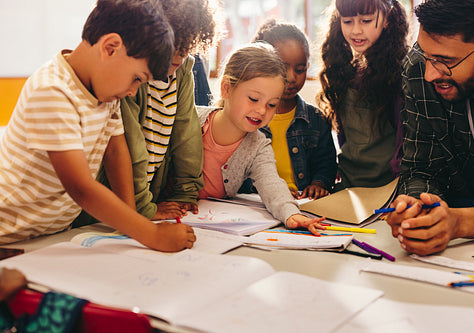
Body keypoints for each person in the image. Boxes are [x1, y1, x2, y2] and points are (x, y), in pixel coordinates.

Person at [0, 0, 195, 251]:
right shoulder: (52, 91)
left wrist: (131, 221)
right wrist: (151, 235)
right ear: (110, 47)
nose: (132, 91)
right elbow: (81, 188)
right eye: (137, 79)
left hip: (47, 237)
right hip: (8, 236)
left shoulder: (103, 92)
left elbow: (115, 151)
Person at [386, 0, 474, 256]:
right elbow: (421, 167)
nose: (429, 74)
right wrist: (415, 206)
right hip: (461, 250)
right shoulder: (418, 67)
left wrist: (460, 222)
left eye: (444, 60)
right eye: (425, 54)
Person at [197, 43, 326, 235]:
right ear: (226, 88)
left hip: (208, 226)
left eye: (272, 104)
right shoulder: (191, 120)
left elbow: (272, 184)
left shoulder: (259, 145)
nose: (261, 111)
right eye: (253, 99)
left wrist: (291, 215)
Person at [115, 0, 223, 221]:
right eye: (174, 45)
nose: (180, 56)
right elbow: (131, 148)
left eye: (186, 47)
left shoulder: (183, 70)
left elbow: (187, 132)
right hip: (117, 203)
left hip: (148, 198)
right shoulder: (132, 77)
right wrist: (143, 208)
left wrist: (186, 191)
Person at [317, 0, 408, 191]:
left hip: (388, 189)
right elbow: (345, 139)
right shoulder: (345, 70)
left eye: (366, 20)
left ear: (388, 19)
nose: (356, 31)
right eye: (347, 21)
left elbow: (404, 144)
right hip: (349, 186)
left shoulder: (400, 73)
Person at [248, 19, 337, 200]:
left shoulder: (317, 120)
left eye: (300, 69)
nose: (291, 77)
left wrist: (319, 184)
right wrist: (271, 189)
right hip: (257, 204)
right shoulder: (248, 117)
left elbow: (326, 165)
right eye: (282, 67)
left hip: (304, 205)